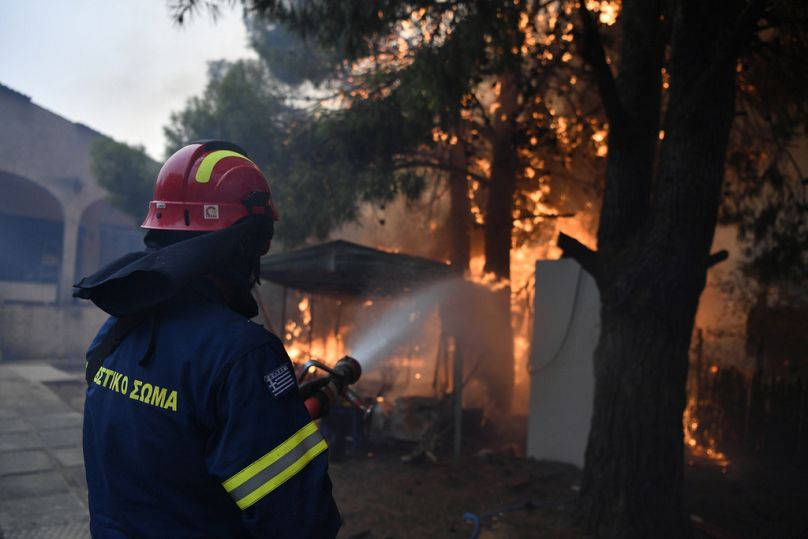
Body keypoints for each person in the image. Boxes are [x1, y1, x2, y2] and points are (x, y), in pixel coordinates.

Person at [74, 140, 341, 538]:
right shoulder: (244, 356)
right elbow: (301, 522)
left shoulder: (114, 332)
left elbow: (171, 437)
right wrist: (267, 413)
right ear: (248, 242)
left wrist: (273, 415)